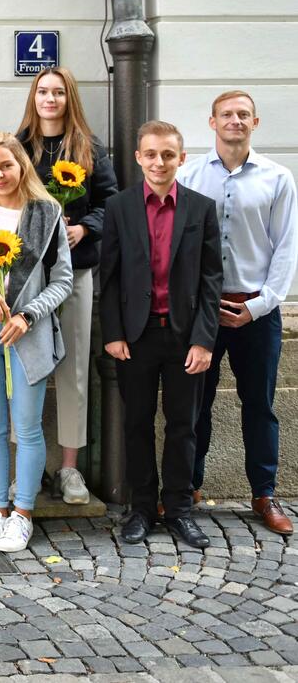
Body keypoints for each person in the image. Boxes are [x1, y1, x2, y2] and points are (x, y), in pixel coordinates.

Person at [179, 91, 297, 535]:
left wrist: (260, 305)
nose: (235, 121)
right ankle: (187, 487)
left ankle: (264, 492)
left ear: (255, 122)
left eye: (243, 114)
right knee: (195, 404)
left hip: (256, 309)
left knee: (260, 406)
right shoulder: (189, 175)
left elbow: (285, 247)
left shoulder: (277, 178)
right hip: (203, 309)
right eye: (227, 114)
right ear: (212, 122)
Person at [101, 121, 221, 549]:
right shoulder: (119, 208)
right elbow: (109, 277)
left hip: (185, 335)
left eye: (168, 154)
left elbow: (211, 279)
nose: (159, 162)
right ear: (138, 157)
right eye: (151, 154)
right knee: (136, 423)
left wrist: (205, 339)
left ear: (181, 158)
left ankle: (180, 509)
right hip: (135, 335)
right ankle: (142, 509)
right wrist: (113, 332)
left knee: (183, 425)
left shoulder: (201, 209)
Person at [0, 132, 73, 553]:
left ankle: (23, 513)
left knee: (26, 428)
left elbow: (62, 280)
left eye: (6, 165)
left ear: (21, 165)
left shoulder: (47, 214)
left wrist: (28, 314)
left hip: (28, 335)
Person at [15, 67, 117, 504]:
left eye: (58, 92)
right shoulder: (18, 147)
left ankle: (70, 468)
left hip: (74, 272)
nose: (50, 98)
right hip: (24, 278)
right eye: (43, 91)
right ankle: (25, 465)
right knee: (21, 372)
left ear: (69, 98)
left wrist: (85, 229)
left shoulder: (90, 149)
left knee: (74, 368)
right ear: (33, 98)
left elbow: (112, 203)